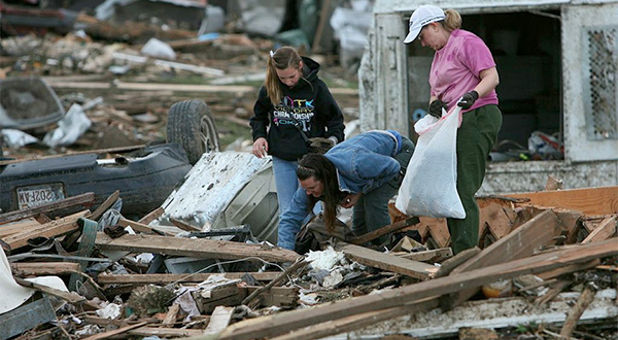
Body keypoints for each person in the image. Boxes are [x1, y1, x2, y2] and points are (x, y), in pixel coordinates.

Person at [403, 5, 503, 254]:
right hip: (454, 122)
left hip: (478, 116)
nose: (423, 43)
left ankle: (465, 252)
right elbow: (435, 91)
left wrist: (473, 94)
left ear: (434, 26)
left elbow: (491, 77)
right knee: (449, 186)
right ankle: (459, 247)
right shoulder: (439, 54)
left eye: (422, 36)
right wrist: (434, 104)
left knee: (463, 186)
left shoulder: (467, 42)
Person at [250, 46, 345, 240]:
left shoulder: (317, 88)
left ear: (300, 66)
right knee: (287, 212)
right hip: (282, 157)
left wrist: (331, 141)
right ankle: (290, 255)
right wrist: (259, 136)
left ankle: (317, 250)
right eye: (283, 78)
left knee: (316, 211)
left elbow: (336, 121)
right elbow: (258, 117)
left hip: (311, 161)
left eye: (292, 77)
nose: (288, 82)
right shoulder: (271, 88)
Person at [277, 130, 415, 250]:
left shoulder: (355, 164)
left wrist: (360, 192)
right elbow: (290, 219)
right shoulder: (309, 185)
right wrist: (285, 254)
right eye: (305, 188)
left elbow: (393, 167)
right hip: (370, 164)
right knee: (360, 218)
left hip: (398, 152)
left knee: (373, 201)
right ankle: (363, 249)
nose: (308, 193)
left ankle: (385, 248)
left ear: (325, 179)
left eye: (312, 188)